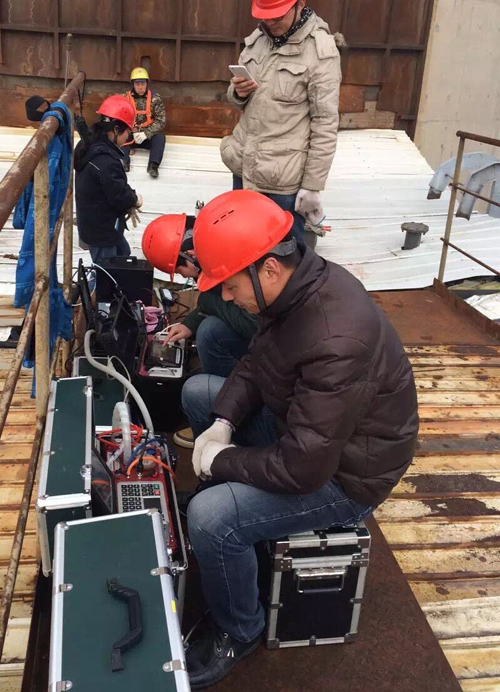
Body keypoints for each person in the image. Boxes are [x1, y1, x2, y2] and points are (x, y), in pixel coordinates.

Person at [181, 190, 419, 688]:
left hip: (346, 477)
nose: (227, 298)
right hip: (309, 432)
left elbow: (304, 468)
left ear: (268, 268)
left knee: (211, 518)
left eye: (230, 285)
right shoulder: (296, 288)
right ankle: (232, 512)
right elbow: (255, 363)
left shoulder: (336, 335)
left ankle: (239, 630)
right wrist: (222, 422)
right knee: (202, 394)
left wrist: (222, 461)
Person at [222, 0, 343, 244]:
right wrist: (238, 93)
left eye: (278, 15)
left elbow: (325, 124)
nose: (271, 22)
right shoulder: (258, 39)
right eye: (265, 15)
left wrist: (312, 186)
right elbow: (237, 98)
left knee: (284, 257)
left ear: (300, 4)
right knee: (245, 245)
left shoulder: (320, 52)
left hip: (281, 184)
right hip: (245, 167)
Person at [141, 213, 257, 449]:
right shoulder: (224, 248)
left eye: (179, 270)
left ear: (191, 255)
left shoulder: (241, 264)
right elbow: (216, 301)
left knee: (198, 374)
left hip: (275, 367)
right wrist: (189, 324)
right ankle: (224, 405)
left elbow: (253, 325)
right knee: (208, 330)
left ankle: (224, 427)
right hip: (269, 352)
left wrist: (207, 302)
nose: (183, 276)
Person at [74, 95, 143, 263]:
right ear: (116, 130)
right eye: (127, 132)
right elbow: (118, 194)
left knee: (124, 254)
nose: (127, 138)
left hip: (98, 222)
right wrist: (134, 199)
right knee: (107, 271)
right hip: (102, 230)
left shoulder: (90, 146)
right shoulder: (105, 160)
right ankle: (98, 281)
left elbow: (112, 185)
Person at [121, 67, 167, 178]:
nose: (140, 87)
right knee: (120, 134)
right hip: (131, 136)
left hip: (147, 136)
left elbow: (161, 120)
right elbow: (120, 118)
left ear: (147, 84)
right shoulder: (125, 98)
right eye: (137, 84)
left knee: (160, 138)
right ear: (133, 84)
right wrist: (130, 130)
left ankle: (153, 165)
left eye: (143, 84)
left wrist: (146, 133)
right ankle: (124, 162)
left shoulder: (155, 99)